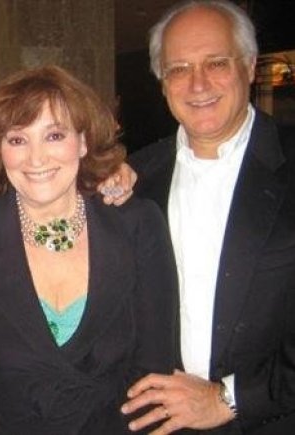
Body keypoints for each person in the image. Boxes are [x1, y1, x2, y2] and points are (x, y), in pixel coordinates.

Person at [0, 65, 179, 434]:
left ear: (82, 141)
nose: (36, 159)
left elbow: (154, 367)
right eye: (17, 140)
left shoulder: (138, 223)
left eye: (54, 135)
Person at [117, 1, 295, 434]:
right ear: (162, 83)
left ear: (249, 66)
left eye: (216, 63)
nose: (198, 84)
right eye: (179, 69)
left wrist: (229, 398)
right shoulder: (135, 179)